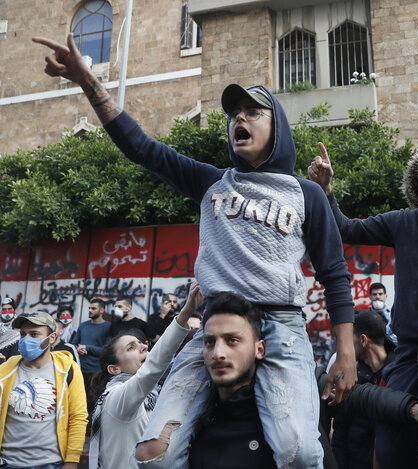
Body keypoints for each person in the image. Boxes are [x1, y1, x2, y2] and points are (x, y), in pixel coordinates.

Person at [33, 33, 357, 469]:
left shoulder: (306, 194)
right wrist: (88, 81)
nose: (238, 119)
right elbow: (143, 149)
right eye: (233, 114)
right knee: (156, 458)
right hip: (213, 327)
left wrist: (346, 352)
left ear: (276, 125)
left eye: (252, 112)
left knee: (299, 453)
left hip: (280, 328)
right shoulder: (212, 182)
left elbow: (334, 274)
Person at [308, 142, 418, 469]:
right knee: (389, 446)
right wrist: (326, 190)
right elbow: (346, 228)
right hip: (409, 353)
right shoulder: (402, 222)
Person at [87, 282, 200, 469]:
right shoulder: (116, 397)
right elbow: (154, 365)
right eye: (131, 347)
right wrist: (187, 311)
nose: (143, 346)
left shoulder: (156, 394)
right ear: (114, 369)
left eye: (142, 342)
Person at [0, 311, 87, 469]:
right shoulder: (5, 370)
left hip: (51, 463)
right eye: (23, 334)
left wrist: (72, 461)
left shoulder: (68, 369)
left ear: (52, 338)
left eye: (34, 334)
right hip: (9, 463)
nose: (26, 340)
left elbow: (78, 417)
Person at [332, 310, 395, 468]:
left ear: (363, 340)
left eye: (348, 340)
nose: (344, 347)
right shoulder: (350, 375)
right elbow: (340, 431)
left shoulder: (398, 375)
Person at [70, 298, 111, 413]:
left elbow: (107, 349)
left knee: (94, 403)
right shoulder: (83, 326)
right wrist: (78, 349)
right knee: (78, 402)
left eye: (93, 308)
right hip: (80, 370)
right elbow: (73, 344)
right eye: (89, 308)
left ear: (102, 310)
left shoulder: (108, 327)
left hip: (97, 372)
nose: (90, 310)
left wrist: (87, 348)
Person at [0, 298, 20, 362]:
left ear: (14, 310)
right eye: (4, 309)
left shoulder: (18, 325)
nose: (7, 311)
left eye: (9, 309)